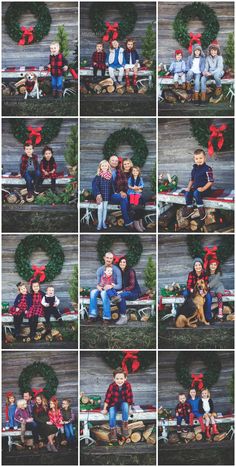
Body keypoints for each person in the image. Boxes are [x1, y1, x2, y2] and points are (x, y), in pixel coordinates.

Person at [88, 252, 122, 324]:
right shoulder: (100, 270)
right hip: (101, 289)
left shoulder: (116, 270)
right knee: (93, 292)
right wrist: (98, 286)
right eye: (107, 258)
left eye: (111, 258)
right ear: (104, 258)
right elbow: (97, 283)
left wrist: (111, 286)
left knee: (104, 293)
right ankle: (93, 315)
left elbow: (120, 285)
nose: (109, 260)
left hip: (111, 292)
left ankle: (107, 317)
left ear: (112, 259)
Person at [101, 367, 133, 442]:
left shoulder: (127, 385)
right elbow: (107, 398)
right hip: (113, 404)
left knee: (125, 405)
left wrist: (130, 409)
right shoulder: (111, 386)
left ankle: (124, 426)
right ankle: (113, 431)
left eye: (121, 378)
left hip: (123, 404)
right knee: (111, 413)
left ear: (125, 378)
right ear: (114, 379)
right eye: (117, 378)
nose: (119, 381)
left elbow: (129, 398)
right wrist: (105, 409)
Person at [182, 148, 214, 221]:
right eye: (196, 158)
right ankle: (190, 208)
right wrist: (188, 187)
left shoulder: (207, 169)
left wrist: (203, 189)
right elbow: (192, 180)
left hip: (206, 190)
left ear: (204, 158)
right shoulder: (194, 169)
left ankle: (201, 209)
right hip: (196, 189)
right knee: (187, 193)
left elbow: (211, 181)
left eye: (201, 158)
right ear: (194, 159)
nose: (199, 160)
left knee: (196, 193)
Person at [183, 257, 212, 322]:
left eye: (199, 265)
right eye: (196, 265)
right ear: (194, 267)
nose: (198, 267)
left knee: (209, 297)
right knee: (185, 293)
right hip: (194, 290)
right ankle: (191, 310)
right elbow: (188, 284)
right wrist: (191, 289)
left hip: (202, 290)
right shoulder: (191, 274)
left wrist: (205, 292)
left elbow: (207, 284)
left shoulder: (205, 274)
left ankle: (208, 317)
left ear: (201, 266)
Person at [115, 257, 141, 325]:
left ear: (126, 264)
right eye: (121, 262)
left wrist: (122, 291)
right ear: (119, 263)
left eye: (124, 262)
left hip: (134, 292)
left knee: (120, 296)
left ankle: (123, 316)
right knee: (120, 297)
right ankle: (123, 317)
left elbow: (132, 285)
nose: (122, 263)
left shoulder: (130, 271)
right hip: (124, 293)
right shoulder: (118, 272)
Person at [92, 160, 113, 231]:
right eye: (102, 166)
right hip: (100, 195)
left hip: (107, 194)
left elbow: (112, 186)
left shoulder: (110, 176)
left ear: (108, 167)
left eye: (106, 166)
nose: (104, 167)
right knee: (100, 209)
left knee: (105, 209)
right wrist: (98, 194)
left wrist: (114, 193)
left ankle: (103, 222)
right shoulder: (98, 176)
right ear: (100, 167)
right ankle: (99, 223)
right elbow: (94, 185)